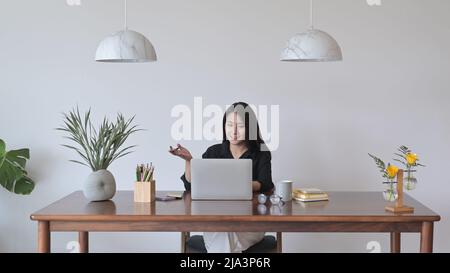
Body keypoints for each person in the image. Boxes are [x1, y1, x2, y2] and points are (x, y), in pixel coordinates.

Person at [169, 102, 274, 253]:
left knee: (226, 236)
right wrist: (189, 161)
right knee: (224, 232)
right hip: (215, 222)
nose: (234, 131)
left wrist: (237, 185)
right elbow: (192, 186)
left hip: (250, 223)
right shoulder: (214, 152)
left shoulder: (261, 153)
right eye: (230, 125)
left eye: (240, 126)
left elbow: (265, 183)